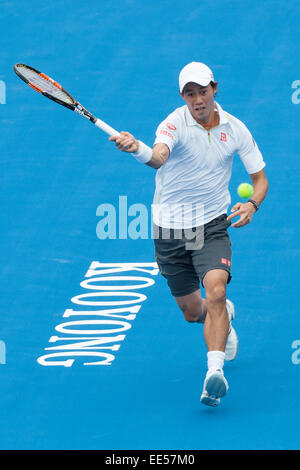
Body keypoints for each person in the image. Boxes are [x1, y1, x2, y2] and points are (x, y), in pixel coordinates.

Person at [109, 62, 269, 407]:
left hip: (212, 226)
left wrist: (252, 205)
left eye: (203, 91)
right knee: (193, 311)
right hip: (169, 230)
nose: (197, 99)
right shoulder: (173, 124)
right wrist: (136, 147)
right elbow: (157, 157)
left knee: (216, 287)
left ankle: (215, 373)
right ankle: (222, 311)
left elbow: (260, 179)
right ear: (183, 96)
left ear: (215, 88)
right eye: (190, 94)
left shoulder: (236, 129)